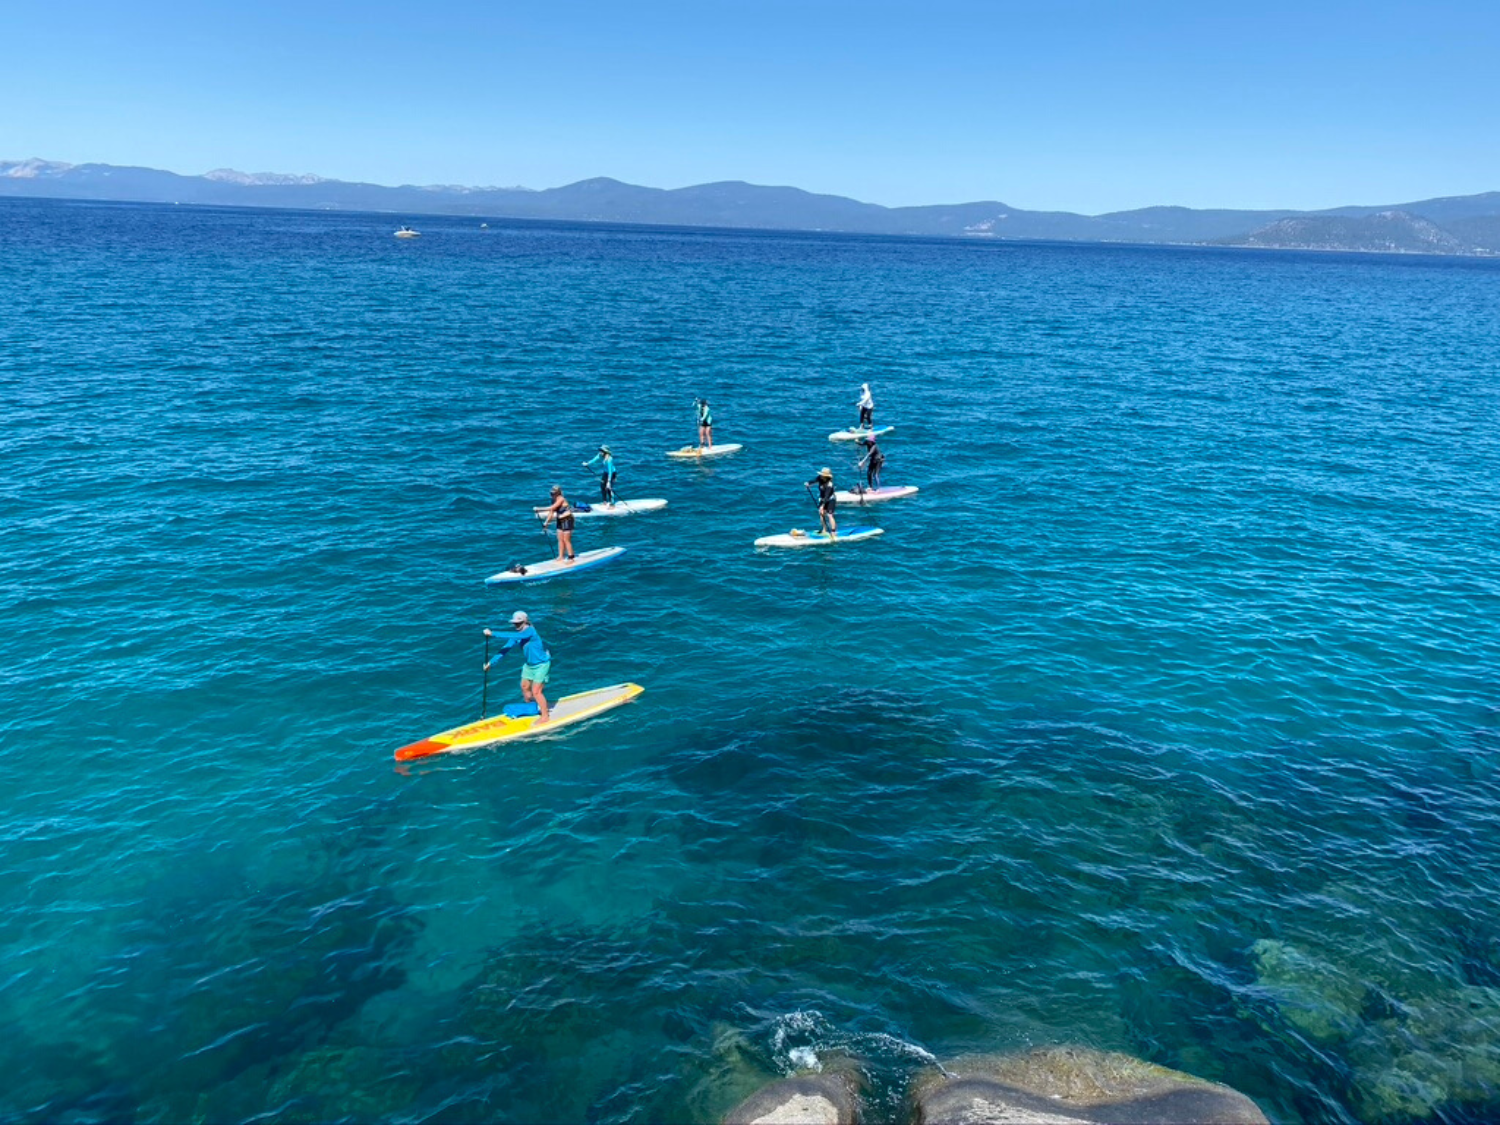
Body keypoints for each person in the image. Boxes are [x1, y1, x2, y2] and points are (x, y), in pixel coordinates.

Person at [483, 611, 551, 722]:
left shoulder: (530, 631)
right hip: (529, 666)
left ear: (525, 621)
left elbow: (518, 635)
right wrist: (491, 663)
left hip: (541, 665)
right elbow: (505, 650)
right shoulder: (517, 635)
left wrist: (492, 633)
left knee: (536, 691)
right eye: (515, 623)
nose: (516, 625)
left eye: (519, 623)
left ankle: (545, 716)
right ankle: (533, 708)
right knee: (524, 688)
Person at [538, 484, 575, 564]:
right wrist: (546, 523)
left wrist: (538, 509)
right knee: (560, 539)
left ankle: (571, 558)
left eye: (553, 493)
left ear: (558, 493)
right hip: (560, 520)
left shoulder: (561, 499)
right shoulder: (553, 500)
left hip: (567, 520)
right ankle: (561, 556)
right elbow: (551, 512)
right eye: (551, 493)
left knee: (566, 540)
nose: (552, 495)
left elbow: (551, 508)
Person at [805, 467, 838, 536]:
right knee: (821, 513)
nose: (821, 476)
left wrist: (822, 505)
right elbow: (814, 480)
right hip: (823, 499)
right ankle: (824, 529)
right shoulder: (820, 478)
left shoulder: (829, 484)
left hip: (830, 500)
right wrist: (808, 483)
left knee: (830, 515)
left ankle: (833, 531)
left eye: (823, 475)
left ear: (826, 476)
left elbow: (827, 496)